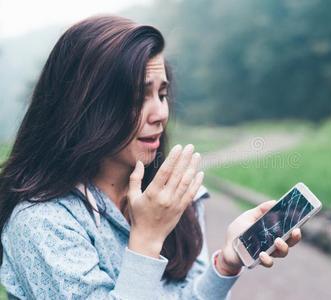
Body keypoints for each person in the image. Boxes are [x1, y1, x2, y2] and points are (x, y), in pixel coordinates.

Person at [0, 15, 302, 299]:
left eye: (162, 94)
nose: (160, 113)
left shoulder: (173, 196)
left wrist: (226, 264)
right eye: (137, 97)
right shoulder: (42, 222)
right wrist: (146, 238)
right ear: (84, 105)